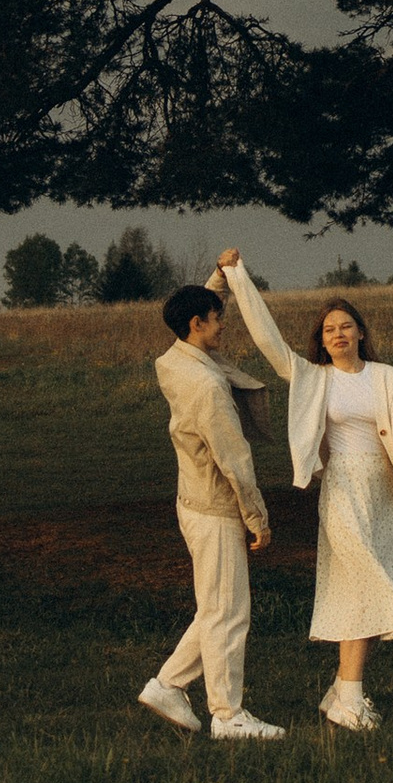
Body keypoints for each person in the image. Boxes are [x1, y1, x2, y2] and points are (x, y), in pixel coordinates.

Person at [214, 252, 393, 732]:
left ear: (360, 332)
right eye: (328, 330)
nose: (337, 334)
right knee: (366, 586)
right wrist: (237, 277)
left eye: (345, 326)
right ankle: (348, 701)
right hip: (341, 490)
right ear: (321, 340)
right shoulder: (313, 378)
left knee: (370, 590)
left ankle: (341, 690)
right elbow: (268, 338)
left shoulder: (385, 377)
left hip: (380, 492)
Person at [137, 281, 281, 742]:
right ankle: (227, 714)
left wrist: (216, 280)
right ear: (196, 325)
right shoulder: (207, 385)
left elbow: (189, 306)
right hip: (215, 509)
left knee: (217, 608)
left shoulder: (173, 359)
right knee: (228, 614)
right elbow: (235, 460)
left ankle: (167, 686)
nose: (222, 327)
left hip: (192, 502)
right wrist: (256, 517)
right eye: (217, 318)